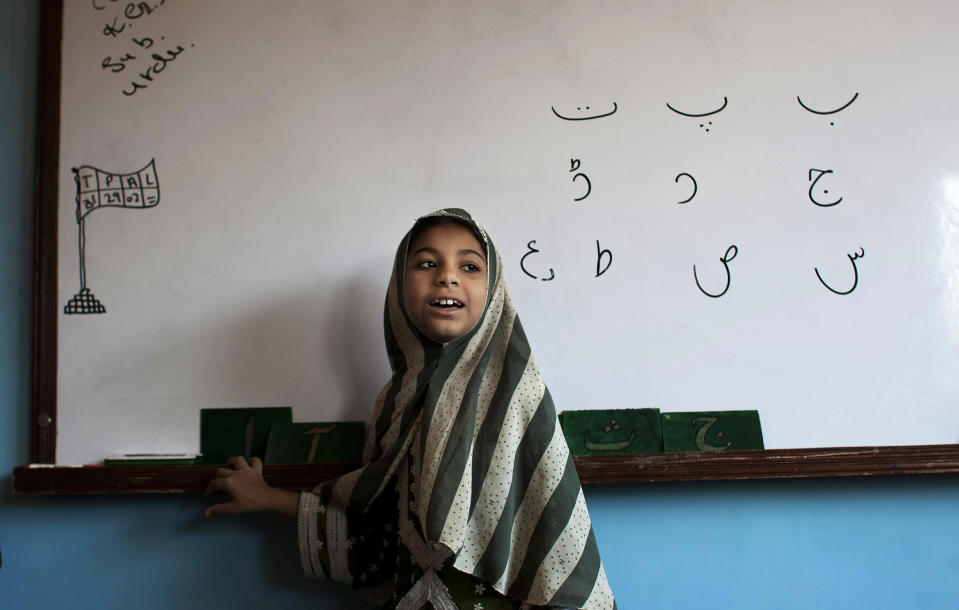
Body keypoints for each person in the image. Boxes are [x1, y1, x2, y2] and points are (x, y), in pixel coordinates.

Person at [205, 208, 616, 609]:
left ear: (493, 293)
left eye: (470, 267)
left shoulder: (519, 398)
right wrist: (268, 498)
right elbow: (374, 543)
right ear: (400, 287)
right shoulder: (395, 403)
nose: (448, 275)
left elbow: (553, 554)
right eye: (425, 262)